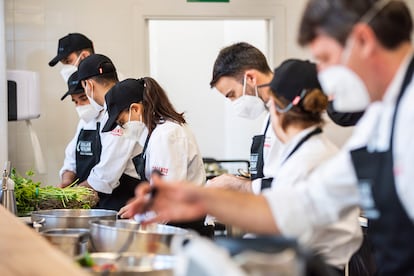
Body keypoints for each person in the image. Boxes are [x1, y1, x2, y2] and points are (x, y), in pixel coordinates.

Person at [121, 0, 414, 274]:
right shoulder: (379, 117)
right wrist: (200, 198)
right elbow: (301, 206)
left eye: (324, 58)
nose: (322, 76)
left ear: (363, 40)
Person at [119, 59, 362, 273]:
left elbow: (279, 219)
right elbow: (276, 210)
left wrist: (202, 200)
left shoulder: (313, 158)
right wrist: (197, 198)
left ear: (277, 109)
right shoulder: (307, 152)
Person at [102, 78, 211, 237]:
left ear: (136, 109)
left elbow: (167, 196)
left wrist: (137, 226)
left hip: (184, 228)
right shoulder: (158, 133)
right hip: (176, 221)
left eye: (121, 121)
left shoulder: (166, 135)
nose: (121, 129)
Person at [208, 42, 278, 193]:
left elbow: (288, 183)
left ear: (251, 78)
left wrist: (238, 185)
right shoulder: (270, 115)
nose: (234, 103)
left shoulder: (288, 115)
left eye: (232, 95)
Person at [76, 54, 142, 211]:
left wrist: (73, 194)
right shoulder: (108, 110)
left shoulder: (118, 111)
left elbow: (108, 172)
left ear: (89, 85)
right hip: (118, 198)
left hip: (128, 199)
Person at [58, 71, 103, 187]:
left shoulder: (112, 121)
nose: (79, 106)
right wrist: (66, 181)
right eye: (75, 101)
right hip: (86, 198)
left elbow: (108, 172)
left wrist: (77, 191)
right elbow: (71, 159)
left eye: (83, 98)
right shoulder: (84, 123)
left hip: (112, 199)